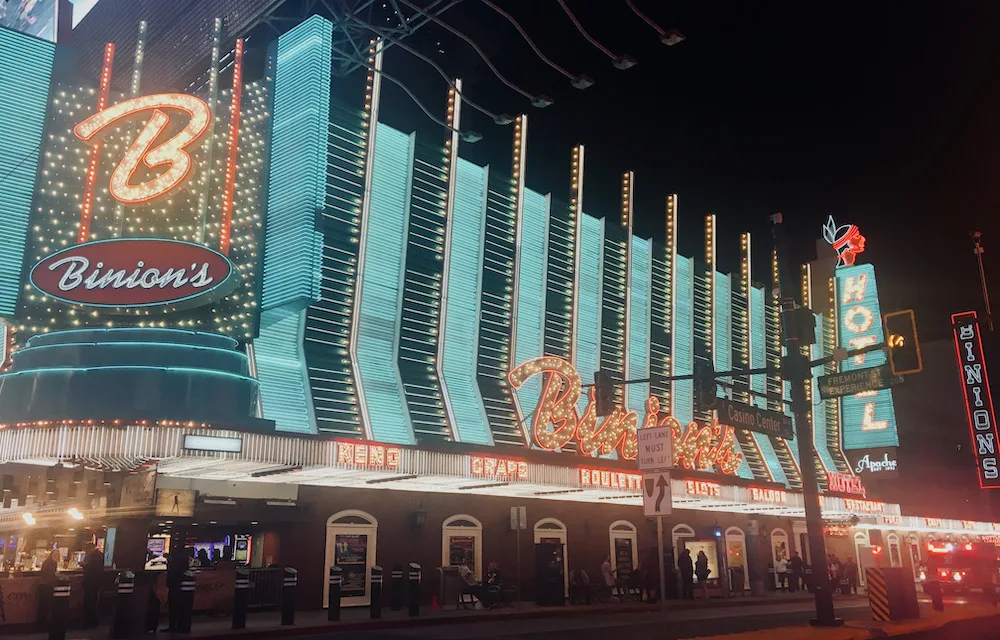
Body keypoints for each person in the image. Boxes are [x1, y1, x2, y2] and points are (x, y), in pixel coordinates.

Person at [164, 547, 188, 632]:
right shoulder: (183, 563)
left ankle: (172, 626)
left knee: (173, 607)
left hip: (174, 587)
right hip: (179, 587)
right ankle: (177, 625)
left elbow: (171, 574)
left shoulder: (174, 564)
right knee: (177, 607)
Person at [82, 543, 103, 628]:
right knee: (92, 602)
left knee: (89, 602)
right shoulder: (99, 555)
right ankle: (92, 622)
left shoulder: (94, 556)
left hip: (91, 583)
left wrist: (84, 566)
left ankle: (90, 622)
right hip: (95, 583)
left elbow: (91, 569)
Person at [36, 550, 59, 628]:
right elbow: (45, 573)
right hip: (45, 586)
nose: (57, 556)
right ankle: (41, 622)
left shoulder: (53, 563)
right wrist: (54, 574)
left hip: (48, 585)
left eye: (58, 554)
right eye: (55, 554)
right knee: (44, 605)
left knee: (45, 605)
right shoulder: (49, 563)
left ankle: (42, 622)